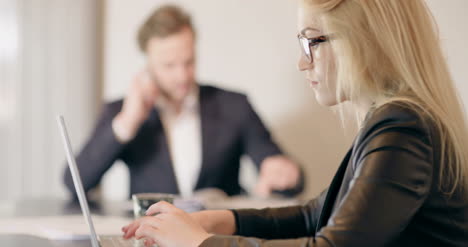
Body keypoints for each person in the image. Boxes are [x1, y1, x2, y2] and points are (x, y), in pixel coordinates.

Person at [121, 0, 468, 246]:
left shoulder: (402, 131)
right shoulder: (395, 121)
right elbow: (315, 214)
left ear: (363, 40)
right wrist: (218, 220)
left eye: (312, 41)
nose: (303, 64)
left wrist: (202, 243)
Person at [63, 4, 304, 199]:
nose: (182, 75)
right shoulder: (122, 112)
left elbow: (286, 174)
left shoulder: (234, 105)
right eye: (169, 65)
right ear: (148, 64)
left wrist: (286, 174)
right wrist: (127, 122)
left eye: (188, 62)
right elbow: (74, 183)